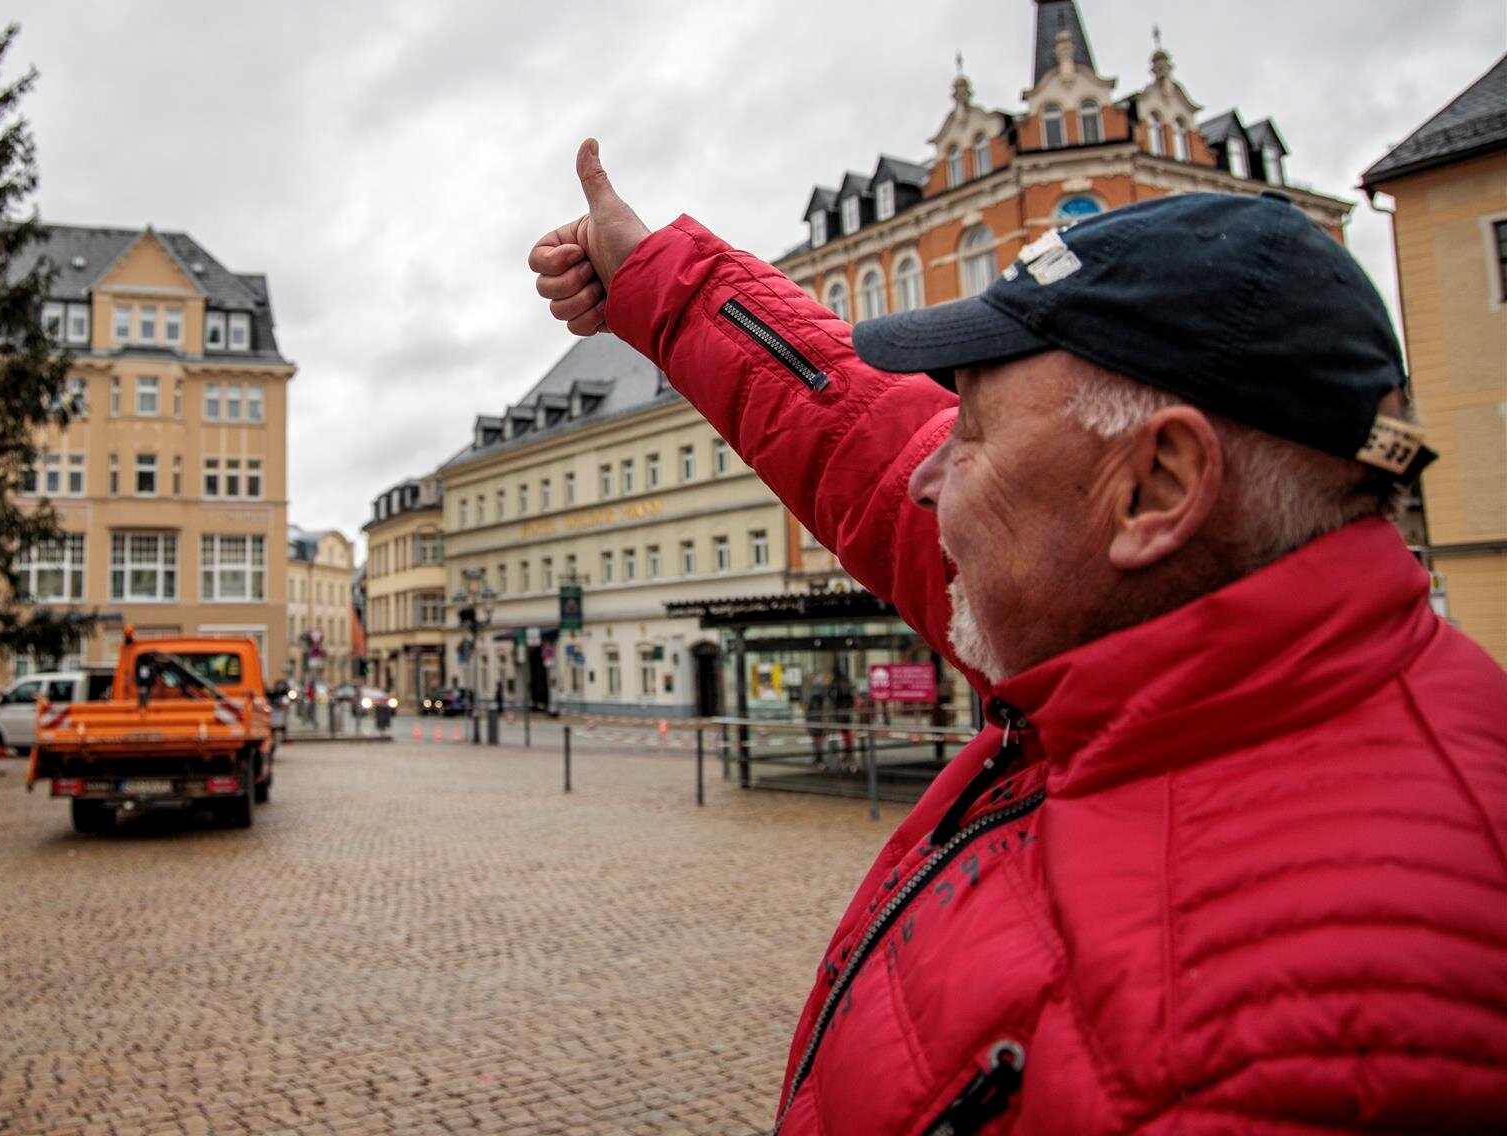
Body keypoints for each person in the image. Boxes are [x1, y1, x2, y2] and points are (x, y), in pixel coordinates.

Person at [530, 140, 1507, 1132]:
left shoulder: (1285, 1035)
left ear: (1157, 486)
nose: (927, 474)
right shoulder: (1159, 628)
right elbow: (859, 434)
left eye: (975, 433)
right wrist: (661, 287)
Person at [800, 673, 829, 768]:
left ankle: (819, 758)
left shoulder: (814, 695)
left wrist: (807, 718)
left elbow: (807, 708)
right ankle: (819, 758)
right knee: (818, 740)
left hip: (814, 720)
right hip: (817, 720)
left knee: (817, 740)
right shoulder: (821, 694)